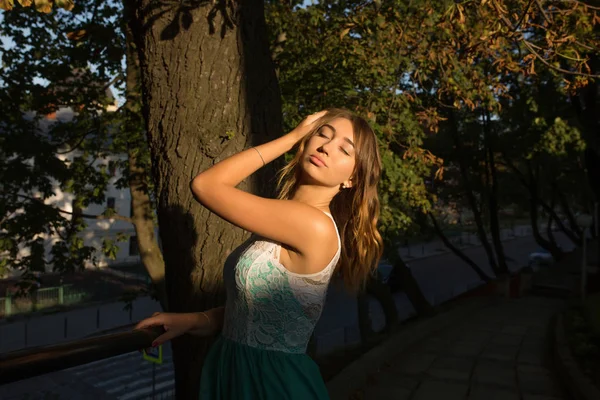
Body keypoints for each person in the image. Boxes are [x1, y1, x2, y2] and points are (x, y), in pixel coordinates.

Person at [135, 108, 383, 399]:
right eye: (322, 135)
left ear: (352, 179)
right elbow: (264, 314)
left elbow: (205, 186)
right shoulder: (287, 217)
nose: (326, 147)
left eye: (344, 149)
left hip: (269, 384)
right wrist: (195, 320)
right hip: (236, 372)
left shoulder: (312, 224)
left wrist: (290, 138)